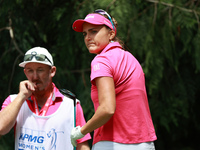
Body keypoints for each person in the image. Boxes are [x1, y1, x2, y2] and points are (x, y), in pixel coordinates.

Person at [70, 9, 157, 150]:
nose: (87, 38)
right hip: (145, 143)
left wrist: (81, 132)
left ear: (111, 33)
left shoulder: (101, 61)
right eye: (85, 34)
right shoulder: (131, 59)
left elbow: (107, 109)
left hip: (112, 143)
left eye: (93, 31)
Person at [0, 47, 91, 150]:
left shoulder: (71, 105)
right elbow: (1, 128)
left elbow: (82, 146)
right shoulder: (14, 101)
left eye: (40, 70)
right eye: (30, 71)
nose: (35, 76)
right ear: (25, 72)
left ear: (52, 71)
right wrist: (21, 96)